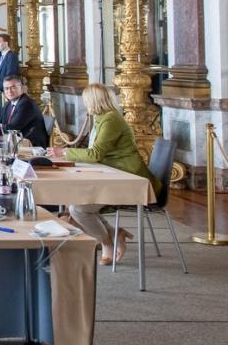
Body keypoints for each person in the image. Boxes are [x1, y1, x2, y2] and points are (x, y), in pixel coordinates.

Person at [51, 83, 160, 265]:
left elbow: (94, 154)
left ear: (94, 101)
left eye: (87, 101)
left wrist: (64, 153)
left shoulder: (110, 120)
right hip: (112, 172)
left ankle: (107, 242)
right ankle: (114, 233)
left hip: (128, 177)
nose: (85, 105)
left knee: (79, 208)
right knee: (78, 200)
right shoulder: (102, 118)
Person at [0, 75, 48, 147]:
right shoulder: (8, 104)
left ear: (21, 88)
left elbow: (13, 128)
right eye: (6, 88)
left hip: (33, 146)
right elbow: (1, 122)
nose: (9, 91)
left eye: (13, 87)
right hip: (16, 142)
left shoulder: (27, 104)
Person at [0, 33, 20, 112]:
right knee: (1, 117)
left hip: (6, 92)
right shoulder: (1, 57)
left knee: (6, 118)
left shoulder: (11, 56)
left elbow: (10, 74)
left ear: (6, 43)